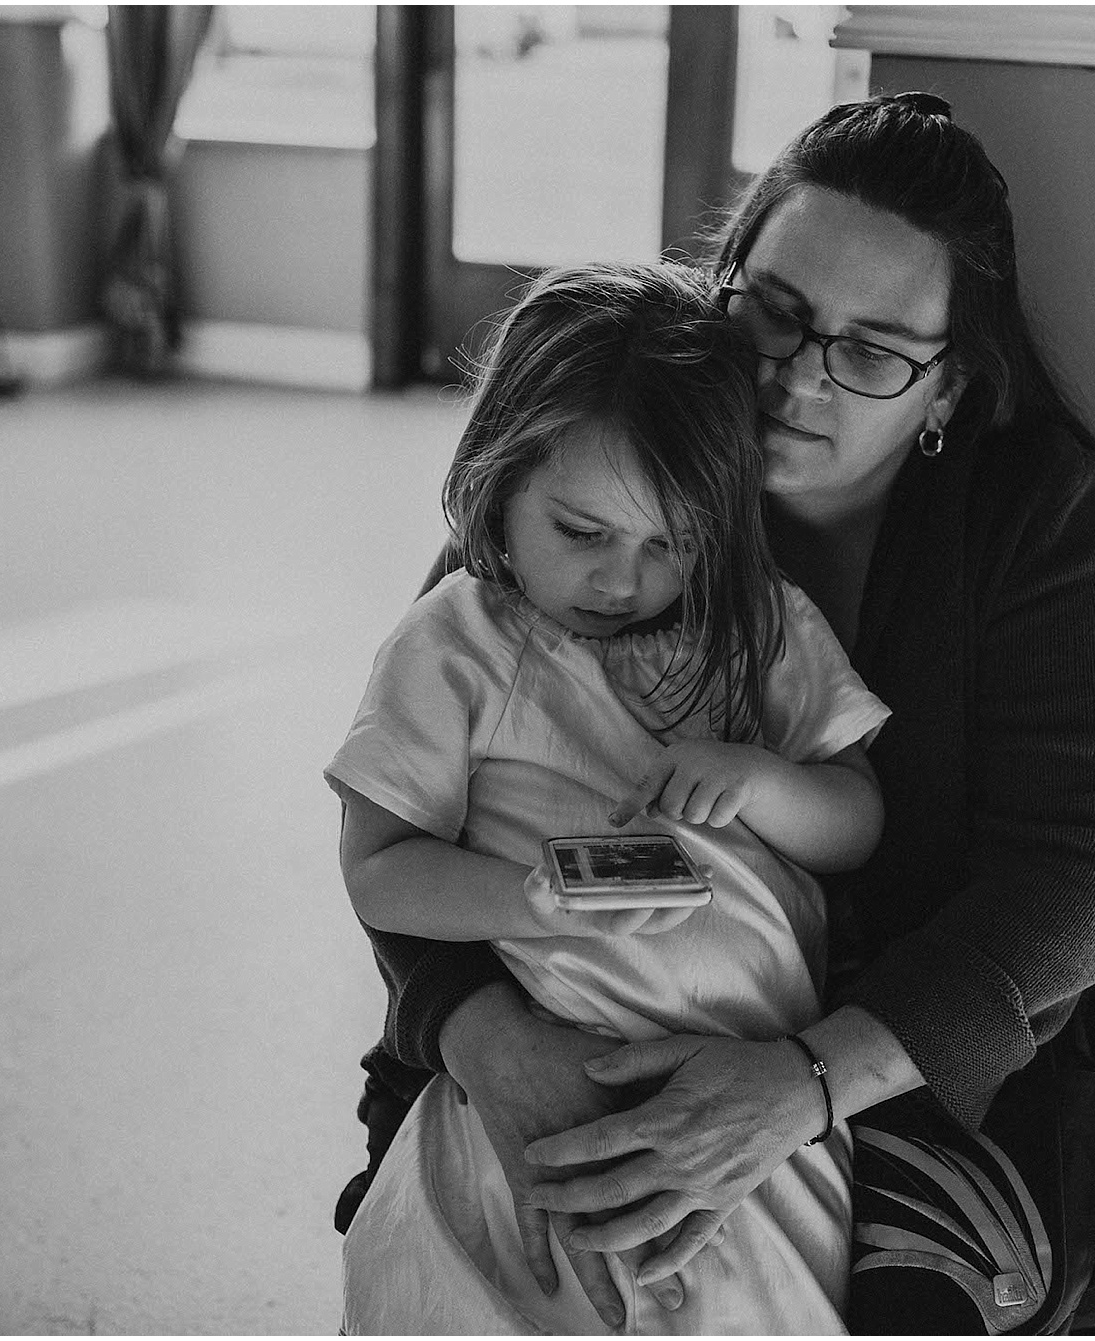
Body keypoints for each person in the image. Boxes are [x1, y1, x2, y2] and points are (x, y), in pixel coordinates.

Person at [343, 92, 1095, 1333]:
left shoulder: (1033, 516)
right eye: (775, 313)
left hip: (903, 997)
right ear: (723, 283)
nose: (795, 378)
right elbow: (407, 809)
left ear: (945, 390)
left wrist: (801, 1085)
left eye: (873, 352)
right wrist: (490, 1041)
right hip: (603, 987)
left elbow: (1074, 873)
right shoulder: (610, 457)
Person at [326, 262, 894, 1333]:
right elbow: (379, 868)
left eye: (669, 543)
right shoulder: (456, 640)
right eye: (581, 531)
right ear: (498, 482)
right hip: (539, 1068)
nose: (622, 581)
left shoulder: (762, 625)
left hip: (749, 1083)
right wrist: (522, 899)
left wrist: (766, 781)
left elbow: (856, 826)